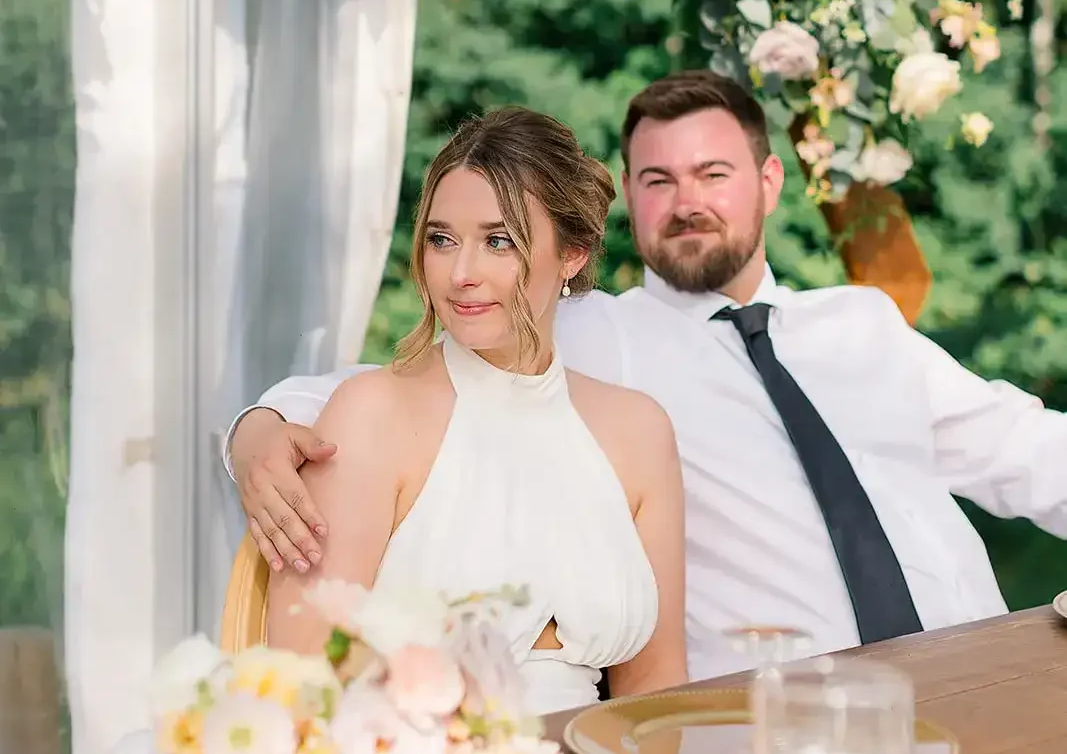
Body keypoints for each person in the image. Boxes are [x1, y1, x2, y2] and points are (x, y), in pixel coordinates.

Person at [228, 70, 1067, 683]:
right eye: (657, 181)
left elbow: (1029, 450)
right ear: (626, 199)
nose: (685, 201)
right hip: (789, 701)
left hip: (984, 663)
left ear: (767, 182)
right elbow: (406, 387)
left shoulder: (862, 325)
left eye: (713, 175)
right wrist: (258, 428)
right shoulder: (602, 335)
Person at [265, 106, 687, 716]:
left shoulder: (639, 432)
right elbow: (300, 685)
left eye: (498, 241)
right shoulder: (371, 416)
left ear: (571, 255)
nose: (460, 274)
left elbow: (657, 691)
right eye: (441, 240)